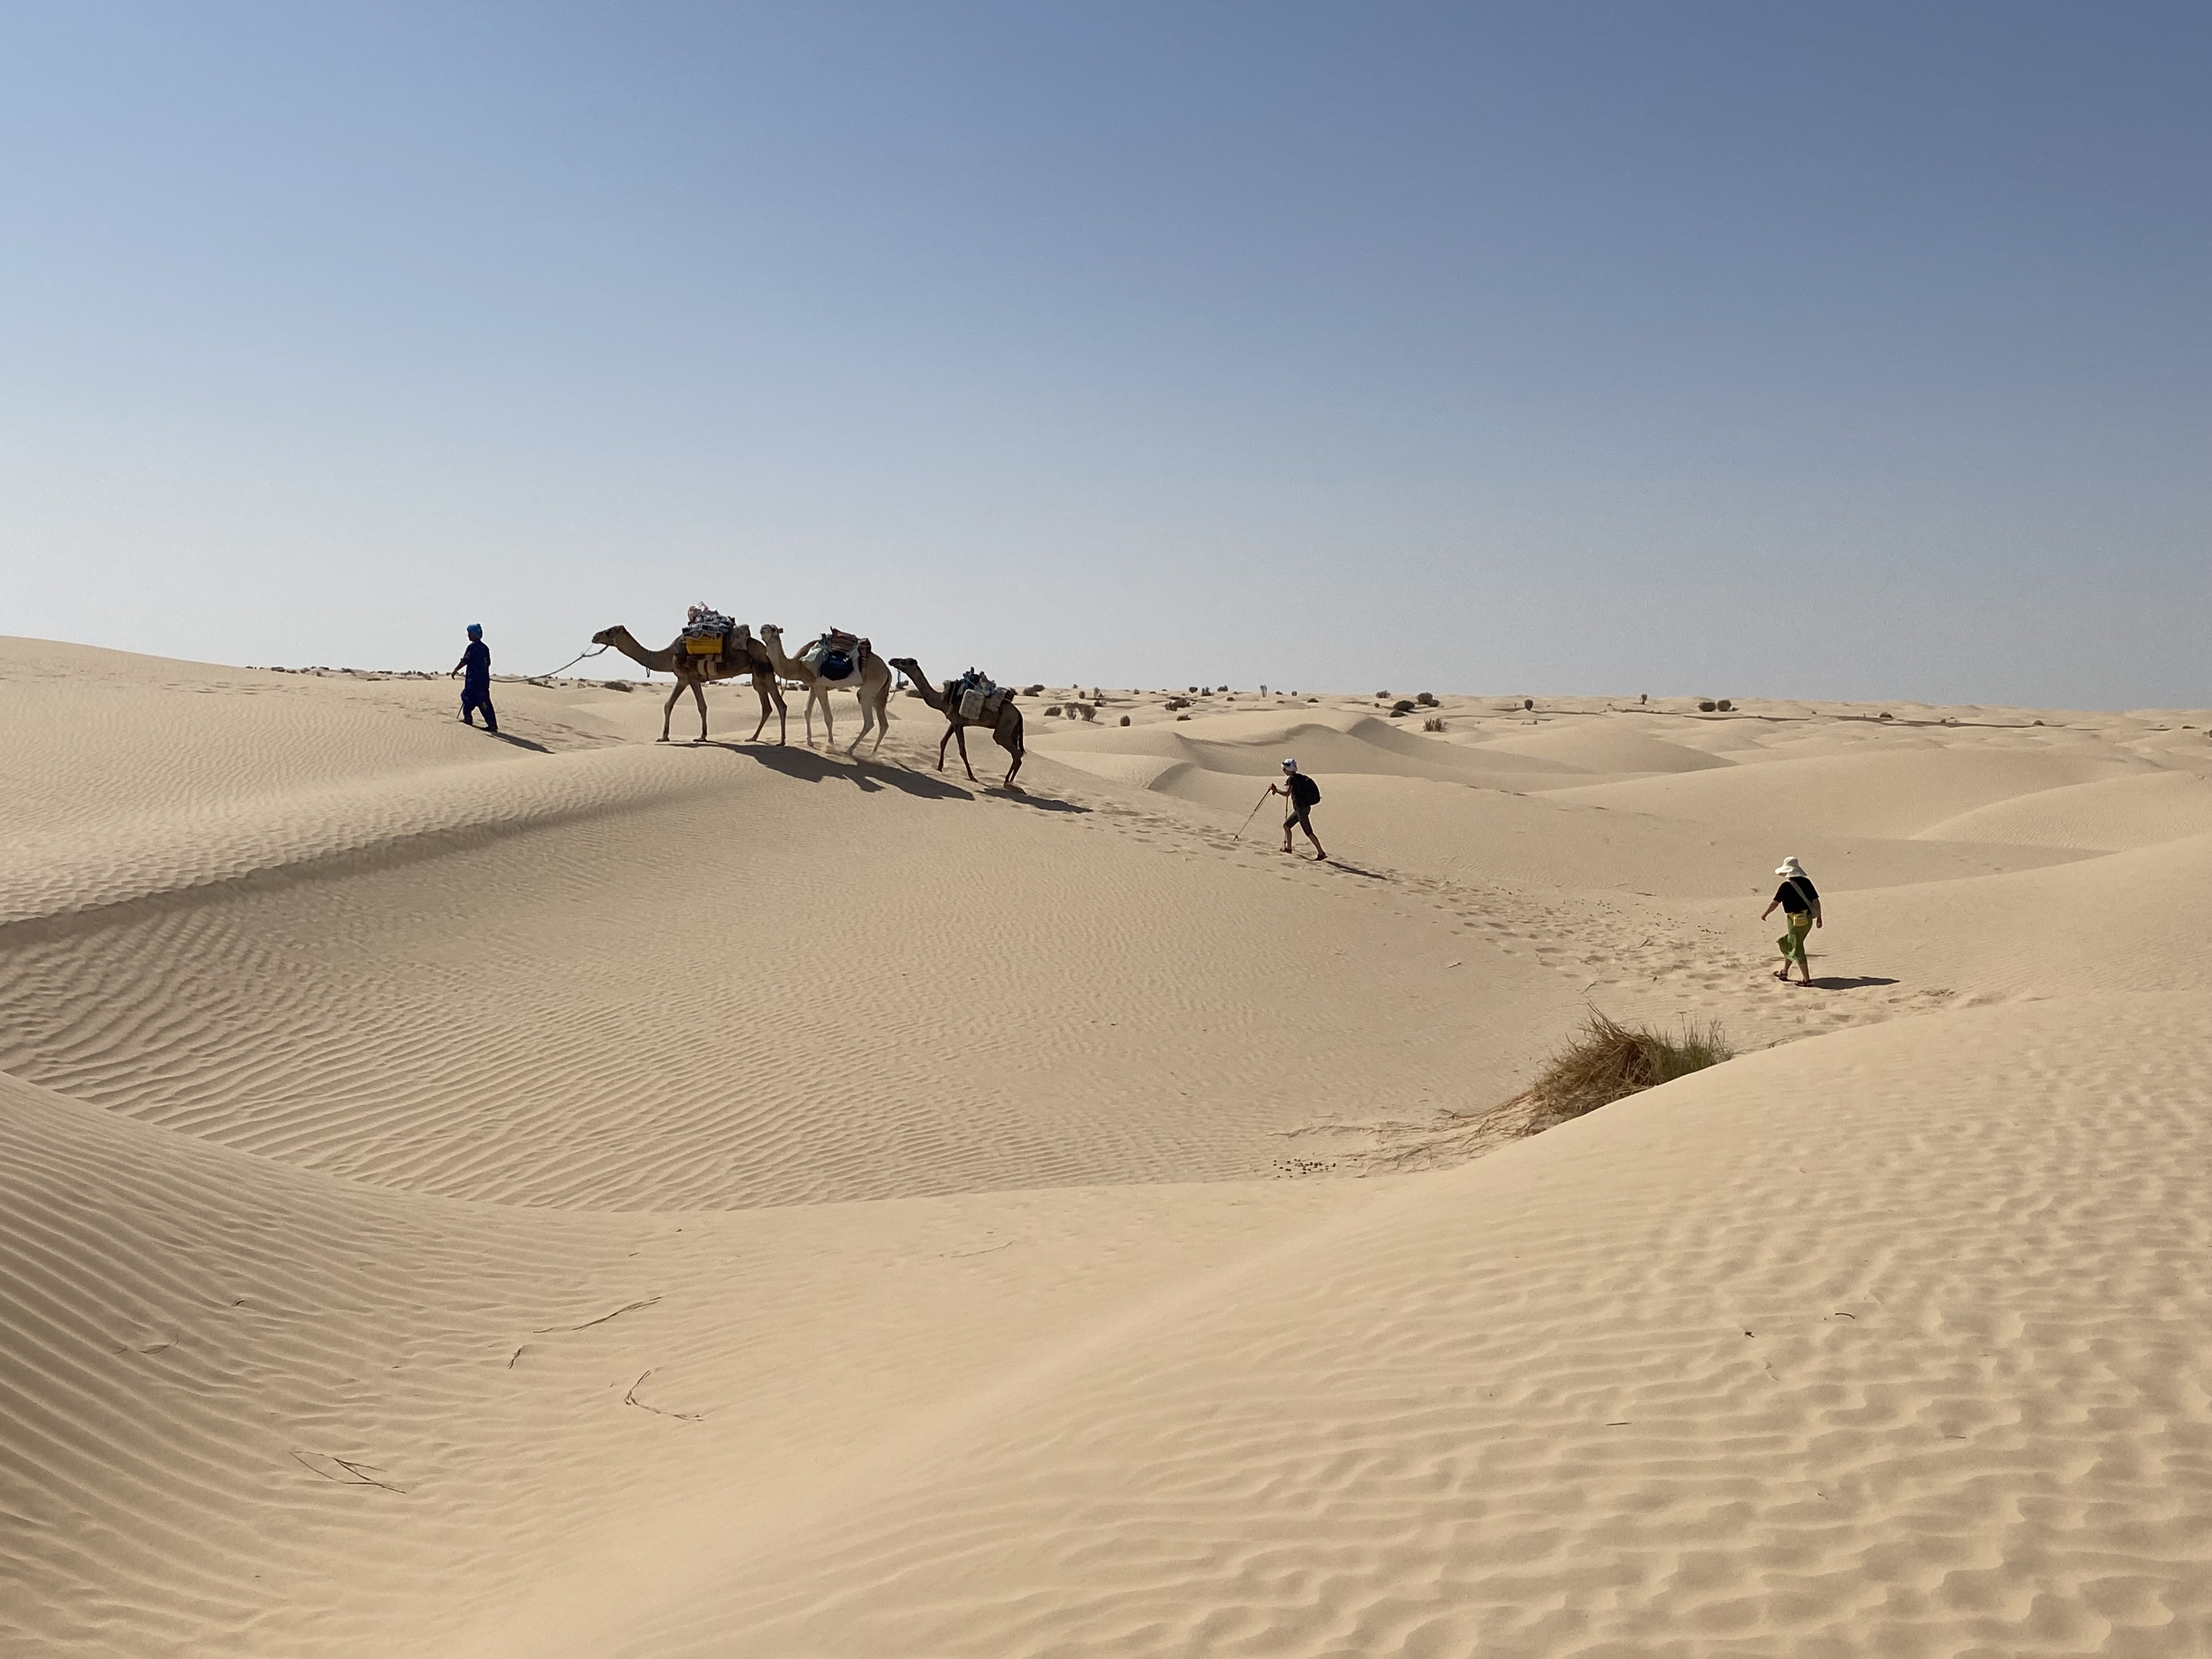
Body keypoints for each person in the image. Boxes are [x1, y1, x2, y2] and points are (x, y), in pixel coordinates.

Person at [1759, 855, 1822, 985]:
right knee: (1791, 943)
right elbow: (1816, 901)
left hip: (1795, 921)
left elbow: (1774, 904)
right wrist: (1819, 917)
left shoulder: (1786, 886)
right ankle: (1784, 972)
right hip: (1808, 919)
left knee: (1797, 947)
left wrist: (1765, 914)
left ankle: (1807, 980)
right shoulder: (1807, 882)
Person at [1271, 757, 1327, 860]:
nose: (1283, 770)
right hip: (1301, 809)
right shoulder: (1299, 778)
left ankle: (1321, 853)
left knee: (1308, 832)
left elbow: (1287, 794)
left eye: (1285, 768)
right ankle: (1289, 848)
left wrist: (1276, 790)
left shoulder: (1292, 779)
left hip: (1301, 809)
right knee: (1287, 826)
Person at [450, 623, 498, 733]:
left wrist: (456, 670)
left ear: (475, 634)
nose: (468, 635)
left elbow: (465, 660)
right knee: (484, 702)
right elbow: (488, 663)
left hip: (474, 681)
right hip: (484, 681)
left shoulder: (472, 647)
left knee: (467, 697)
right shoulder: (485, 648)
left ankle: (468, 719)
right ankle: (492, 725)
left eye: (470, 633)